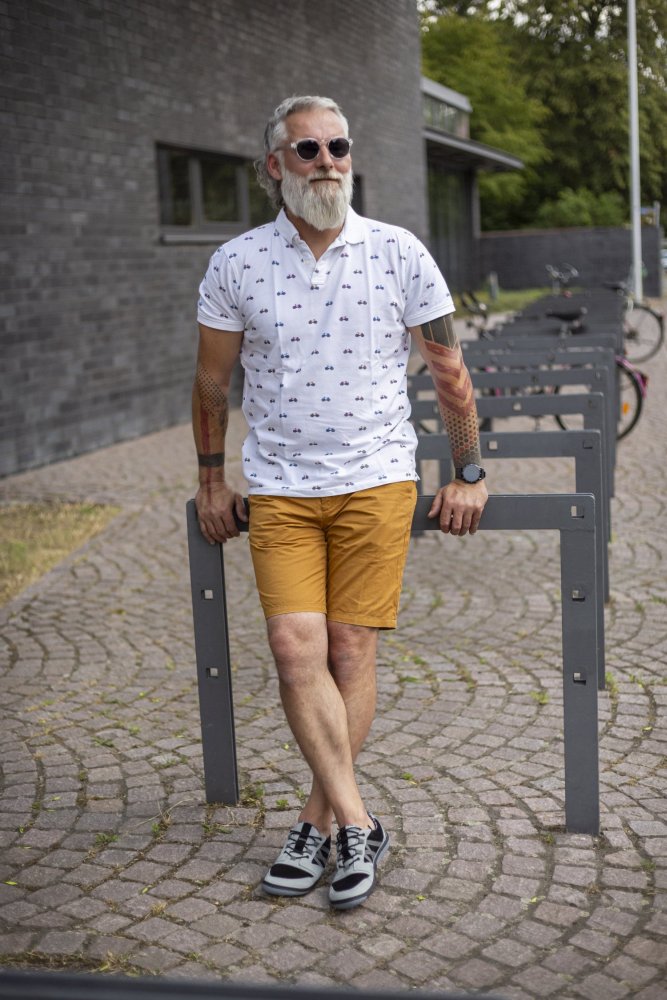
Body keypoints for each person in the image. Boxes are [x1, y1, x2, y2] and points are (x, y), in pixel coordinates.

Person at [193, 95, 488, 910]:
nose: (326, 161)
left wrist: (467, 472)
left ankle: (315, 824)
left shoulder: (399, 252)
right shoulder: (235, 263)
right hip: (281, 486)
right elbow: (212, 382)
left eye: (337, 147)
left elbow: (449, 371)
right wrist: (211, 480)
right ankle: (358, 823)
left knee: (351, 651)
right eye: (307, 149)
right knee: (295, 649)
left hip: (376, 478)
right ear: (274, 166)